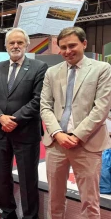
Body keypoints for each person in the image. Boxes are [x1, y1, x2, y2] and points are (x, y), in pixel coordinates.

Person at [40, 26, 111, 219]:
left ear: (84, 43)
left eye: (72, 45)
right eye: (62, 47)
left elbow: (101, 109)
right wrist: (58, 134)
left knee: (90, 203)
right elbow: (45, 106)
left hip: (87, 144)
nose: (67, 51)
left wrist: (77, 136)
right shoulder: (52, 72)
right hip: (56, 144)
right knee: (54, 200)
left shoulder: (102, 69)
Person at [0, 28, 48, 219]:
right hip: (0, 131)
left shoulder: (39, 67)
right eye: (11, 43)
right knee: (3, 177)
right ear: (6, 46)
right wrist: (0, 118)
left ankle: (30, 216)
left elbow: (38, 100)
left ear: (27, 45)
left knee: (28, 178)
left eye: (20, 42)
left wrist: (14, 120)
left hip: (26, 132)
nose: (15, 46)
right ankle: (8, 212)